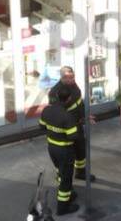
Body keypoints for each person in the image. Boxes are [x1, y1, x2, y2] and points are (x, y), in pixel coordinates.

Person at [48, 66, 96, 182]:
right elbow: (57, 113)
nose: (71, 80)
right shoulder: (55, 92)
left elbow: (79, 103)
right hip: (64, 130)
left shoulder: (74, 86)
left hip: (77, 125)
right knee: (65, 156)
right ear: (62, 77)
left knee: (80, 149)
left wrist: (85, 116)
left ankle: (80, 172)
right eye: (68, 78)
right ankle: (62, 179)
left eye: (72, 76)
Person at [39, 86, 80, 216]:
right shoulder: (67, 116)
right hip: (65, 150)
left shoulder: (46, 110)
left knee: (60, 172)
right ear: (68, 99)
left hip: (52, 148)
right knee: (67, 178)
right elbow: (74, 136)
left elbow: (41, 126)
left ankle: (68, 194)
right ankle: (62, 208)